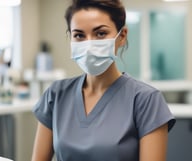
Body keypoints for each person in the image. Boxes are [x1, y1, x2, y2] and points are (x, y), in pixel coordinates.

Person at [31, 0, 176, 161]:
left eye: (100, 34)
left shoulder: (146, 100)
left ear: (122, 36)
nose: (89, 45)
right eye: (79, 35)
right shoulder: (56, 95)